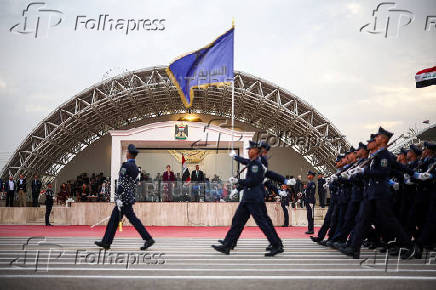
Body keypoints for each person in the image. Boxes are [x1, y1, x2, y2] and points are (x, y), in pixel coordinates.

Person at [345, 127, 415, 259]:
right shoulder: (378, 155)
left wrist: (363, 172)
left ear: (383, 139)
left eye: (377, 137)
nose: (375, 139)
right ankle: (354, 249)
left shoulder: (384, 155)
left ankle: (409, 246)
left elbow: (383, 173)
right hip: (371, 193)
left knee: (389, 221)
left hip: (380, 194)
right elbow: (397, 167)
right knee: (362, 219)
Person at [212, 141, 284, 257]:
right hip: (248, 198)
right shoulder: (252, 163)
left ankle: (276, 245)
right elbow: (245, 162)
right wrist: (235, 157)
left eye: (251, 149)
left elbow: (253, 181)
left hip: (254, 198)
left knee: (262, 223)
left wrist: (238, 181)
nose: (249, 151)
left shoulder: (257, 165)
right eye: (248, 149)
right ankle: (227, 245)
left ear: (257, 151)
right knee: (237, 221)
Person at [95, 144, 154, 250]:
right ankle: (106, 242)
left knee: (124, 220)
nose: (126, 153)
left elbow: (121, 182)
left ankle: (148, 238)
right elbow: (133, 183)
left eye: (127, 152)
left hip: (122, 199)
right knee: (118, 220)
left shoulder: (125, 166)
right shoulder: (136, 168)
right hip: (128, 197)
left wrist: (117, 197)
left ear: (129, 154)